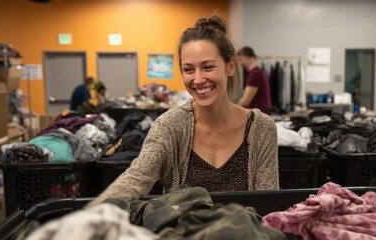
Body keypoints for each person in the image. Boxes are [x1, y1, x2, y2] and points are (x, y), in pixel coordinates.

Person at [87, 15, 279, 207]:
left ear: (230, 67)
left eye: (208, 67)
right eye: (188, 70)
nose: (197, 79)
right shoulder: (170, 126)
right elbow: (137, 177)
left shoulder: (261, 128)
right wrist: (89, 215)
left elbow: (268, 204)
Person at [237, 47, 272, 113]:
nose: (239, 63)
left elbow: (245, 101)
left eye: (240, 59)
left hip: (261, 114)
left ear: (247, 57)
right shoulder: (257, 72)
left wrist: (232, 111)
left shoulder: (255, 74)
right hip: (261, 113)